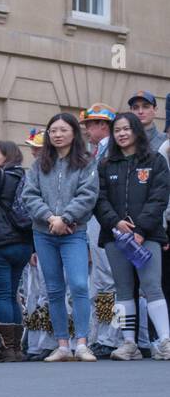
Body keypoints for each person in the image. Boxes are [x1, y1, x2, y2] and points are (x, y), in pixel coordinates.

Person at [20, 112, 100, 362]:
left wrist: (64, 218)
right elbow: (29, 196)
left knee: (78, 284)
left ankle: (83, 343)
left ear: (74, 133)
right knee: (53, 289)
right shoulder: (38, 164)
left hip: (73, 232)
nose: (57, 134)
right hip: (43, 233)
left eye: (63, 130)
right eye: (53, 130)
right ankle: (63, 344)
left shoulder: (86, 163)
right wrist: (50, 218)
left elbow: (88, 195)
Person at [94, 113, 170, 360]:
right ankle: (128, 344)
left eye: (126, 129)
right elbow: (99, 199)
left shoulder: (156, 160)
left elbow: (159, 198)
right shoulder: (105, 165)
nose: (122, 134)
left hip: (147, 236)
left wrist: (140, 230)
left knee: (152, 287)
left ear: (136, 131)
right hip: (115, 236)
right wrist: (115, 222)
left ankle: (166, 341)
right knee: (122, 290)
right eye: (117, 130)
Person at [0, 140, 32, 362]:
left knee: (1, 296)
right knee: (12, 295)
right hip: (22, 243)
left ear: (7, 157)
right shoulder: (25, 177)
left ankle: (6, 349)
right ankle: (17, 348)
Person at [80, 103, 121, 359]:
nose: (86, 129)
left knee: (108, 279)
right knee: (100, 279)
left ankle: (110, 336)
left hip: (105, 219)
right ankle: (101, 334)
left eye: (90, 124)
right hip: (96, 219)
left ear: (103, 125)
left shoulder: (108, 151)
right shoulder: (97, 151)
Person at [127, 90, 168, 157]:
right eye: (136, 107)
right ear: (131, 111)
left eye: (145, 107)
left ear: (155, 110)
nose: (140, 111)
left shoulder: (165, 141)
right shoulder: (123, 140)